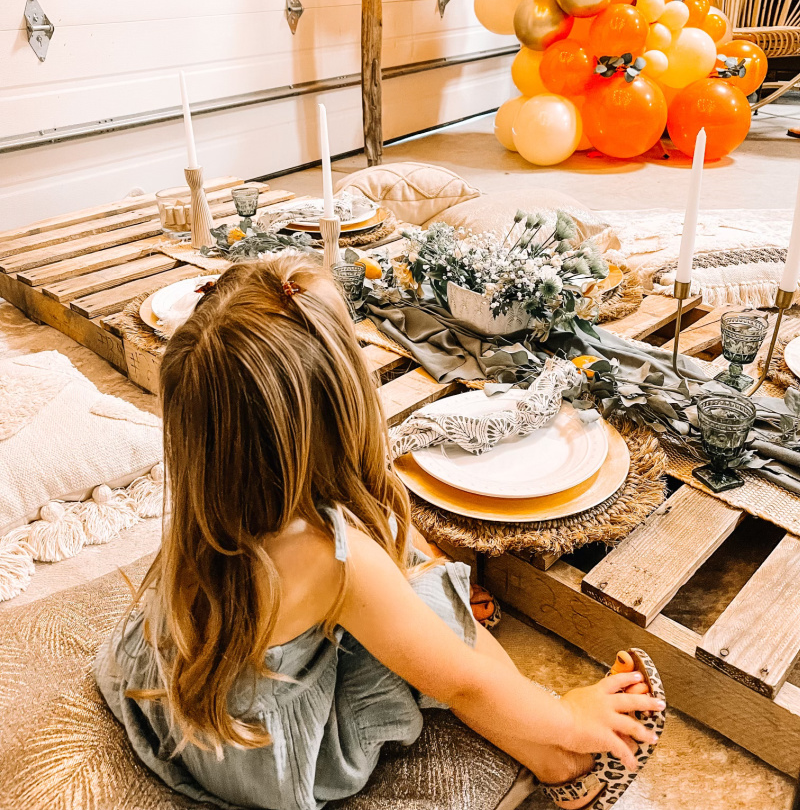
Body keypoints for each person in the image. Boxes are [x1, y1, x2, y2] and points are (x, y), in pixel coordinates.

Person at [94, 256, 665, 810]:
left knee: (399, 546)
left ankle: (451, 619)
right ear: (344, 409)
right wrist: (568, 715)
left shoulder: (215, 500)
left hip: (177, 689)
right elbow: (461, 682)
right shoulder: (335, 561)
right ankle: (562, 762)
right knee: (433, 607)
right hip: (263, 761)